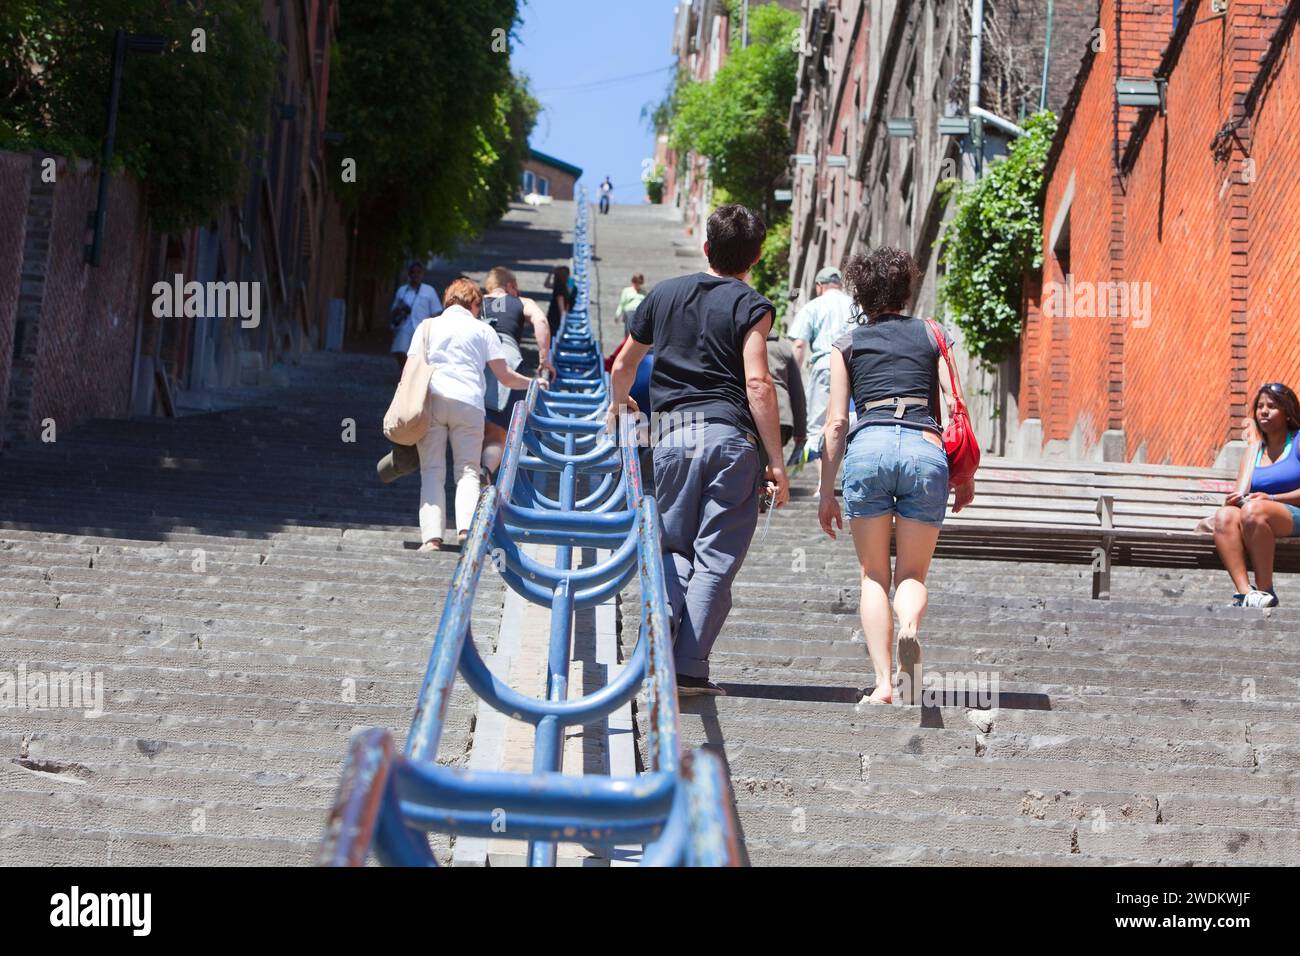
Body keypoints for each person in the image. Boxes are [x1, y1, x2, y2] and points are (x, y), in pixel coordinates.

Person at [611, 204, 790, 697]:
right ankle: (688, 669)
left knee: (671, 545)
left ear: (706, 247)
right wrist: (776, 462)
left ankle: (660, 621)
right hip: (731, 439)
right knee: (716, 557)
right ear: (754, 257)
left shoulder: (663, 294)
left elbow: (624, 363)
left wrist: (620, 406)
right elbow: (758, 382)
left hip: (671, 437)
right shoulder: (753, 305)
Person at [817, 247, 976, 708]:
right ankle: (910, 627)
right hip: (925, 449)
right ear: (907, 289)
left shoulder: (846, 344)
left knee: (872, 575)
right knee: (911, 572)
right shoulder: (933, 334)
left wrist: (827, 493)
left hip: (868, 448)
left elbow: (836, 425)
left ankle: (885, 685)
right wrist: (964, 474)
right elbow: (955, 406)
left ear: (860, 294)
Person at [415, 278, 543, 552]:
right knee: (468, 471)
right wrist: (533, 382)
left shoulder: (427, 326)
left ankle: (432, 539)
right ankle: (467, 531)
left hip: (433, 401)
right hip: (469, 403)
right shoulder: (482, 330)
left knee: (432, 471)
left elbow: (410, 370)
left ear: (447, 300)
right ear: (474, 303)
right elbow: (505, 377)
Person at [1213, 382, 1300, 607]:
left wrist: (1271, 499)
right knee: (1224, 516)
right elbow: (1240, 491)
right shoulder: (1254, 450)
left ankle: (1265, 591)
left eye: (1271, 406)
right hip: (1257, 514)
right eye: (1260, 406)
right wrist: (1234, 499)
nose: (1263, 411)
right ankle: (1246, 594)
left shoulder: (1298, 441)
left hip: (1293, 513)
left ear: (1287, 412)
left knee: (1254, 511)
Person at [481, 267, 554, 475]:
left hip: (476, 363)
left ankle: (475, 478)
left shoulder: (476, 301)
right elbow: (540, 321)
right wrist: (543, 361)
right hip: (507, 362)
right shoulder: (522, 302)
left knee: (474, 431)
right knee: (498, 434)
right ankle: (486, 472)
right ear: (510, 286)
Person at [787, 266, 857, 462]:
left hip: (824, 368)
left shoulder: (813, 306)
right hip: (853, 369)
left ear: (819, 286)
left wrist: (792, 379)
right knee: (849, 422)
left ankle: (822, 483)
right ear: (840, 285)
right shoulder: (856, 307)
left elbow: (799, 344)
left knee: (818, 426)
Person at [390, 262, 442, 372]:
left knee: (418, 356)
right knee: (400, 350)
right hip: (404, 326)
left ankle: (414, 375)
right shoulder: (402, 291)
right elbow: (393, 309)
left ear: (422, 274)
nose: (416, 275)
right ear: (409, 274)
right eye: (413, 272)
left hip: (421, 328)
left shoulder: (429, 291)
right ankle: (405, 372)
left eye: (419, 272)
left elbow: (436, 311)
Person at [766, 326, 807, 455]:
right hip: (781, 416)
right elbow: (797, 392)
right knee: (773, 463)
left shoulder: (740, 342)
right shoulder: (783, 346)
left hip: (752, 414)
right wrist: (800, 430)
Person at [545, 265, 576, 341]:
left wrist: (563, 320)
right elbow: (546, 285)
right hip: (561, 313)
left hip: (554, 316)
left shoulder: (559, 288)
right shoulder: (566, 284)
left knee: (552, 336)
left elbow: (561, 307)